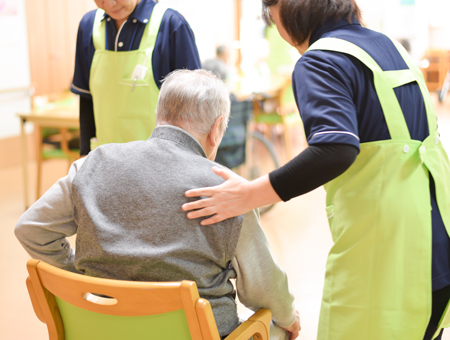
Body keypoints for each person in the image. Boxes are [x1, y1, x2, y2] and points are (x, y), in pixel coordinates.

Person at [181, 1, 450, 339]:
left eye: (271, 13)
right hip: (437, 239)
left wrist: (248, 194)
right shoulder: (388, 46)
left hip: (386, 253)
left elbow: (335, 149)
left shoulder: (321, 59)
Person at [16, 70, 300, 340]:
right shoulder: (228, 192)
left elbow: (31, 228)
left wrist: (78, 283)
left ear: (158, 117)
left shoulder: (92, 163)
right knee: (278, 327)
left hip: (101, 331)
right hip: (199, 333)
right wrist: (288, 318)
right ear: (216, 130)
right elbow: (264, 289)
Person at [71, 0, 201, 156]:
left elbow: (192, 107)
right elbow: (86, 99)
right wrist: (85, 154)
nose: (110, 4)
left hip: (159, 162)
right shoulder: (89, 26)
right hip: (105, 160)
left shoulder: (171, 24)